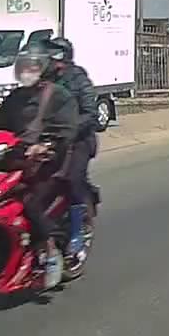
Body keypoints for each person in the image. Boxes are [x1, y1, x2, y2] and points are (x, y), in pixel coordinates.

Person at [0, 42, 78, 288]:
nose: (27, 71)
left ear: (44, 68)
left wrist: (46, 146)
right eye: (23, 67)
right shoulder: (14, 97)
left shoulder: (59, 96)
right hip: (14, 160)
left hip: (48, 165)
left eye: (32, 67)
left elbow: (66, 131)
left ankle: (51, 250)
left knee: (29, 203)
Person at [42, 37, 98, 257]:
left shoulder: (78, 78)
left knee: (73, 179)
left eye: (55, 54)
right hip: (48, 140)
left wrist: (69, 130)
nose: (50, 58)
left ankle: (76, 233)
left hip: (78, 140)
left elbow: (90, 113)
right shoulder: (43, 79)